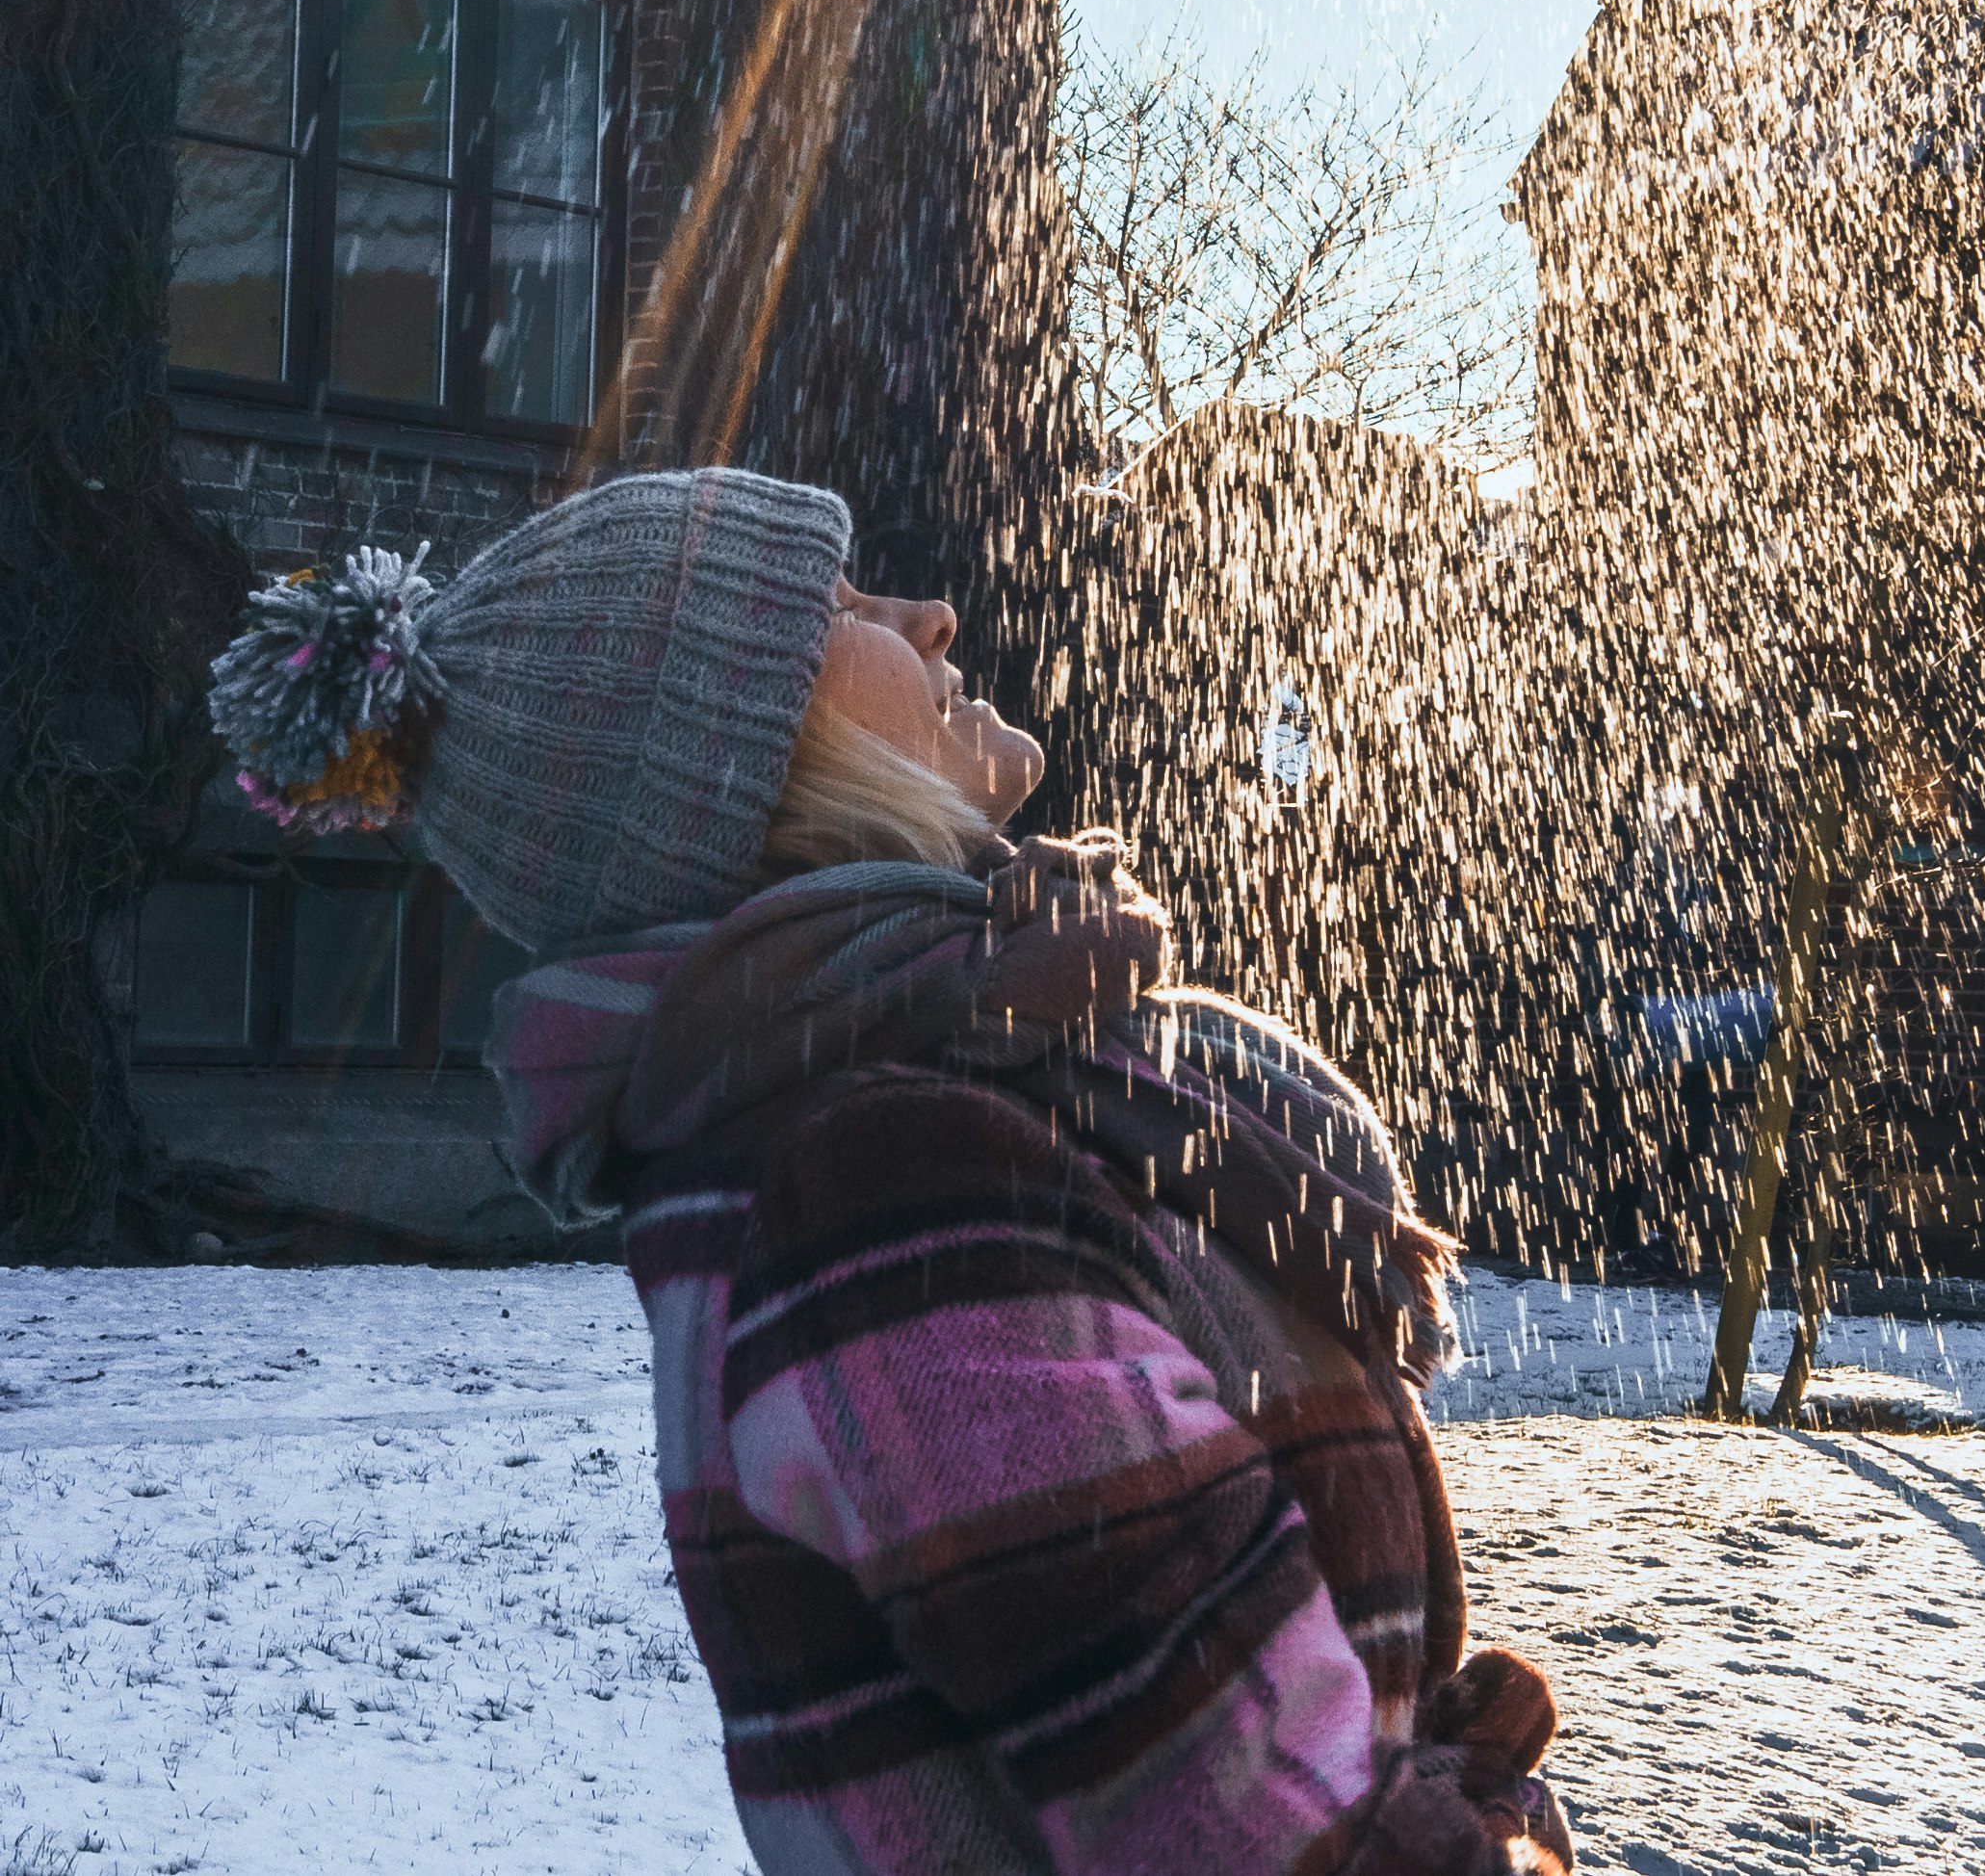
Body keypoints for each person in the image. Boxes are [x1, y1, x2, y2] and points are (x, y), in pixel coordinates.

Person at [209, 464, 1574, 1875]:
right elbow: (1260, 1843)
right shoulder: (882, 1184)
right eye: (842, 605)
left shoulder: (942, 1100)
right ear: (739, 772)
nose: (929, 614)